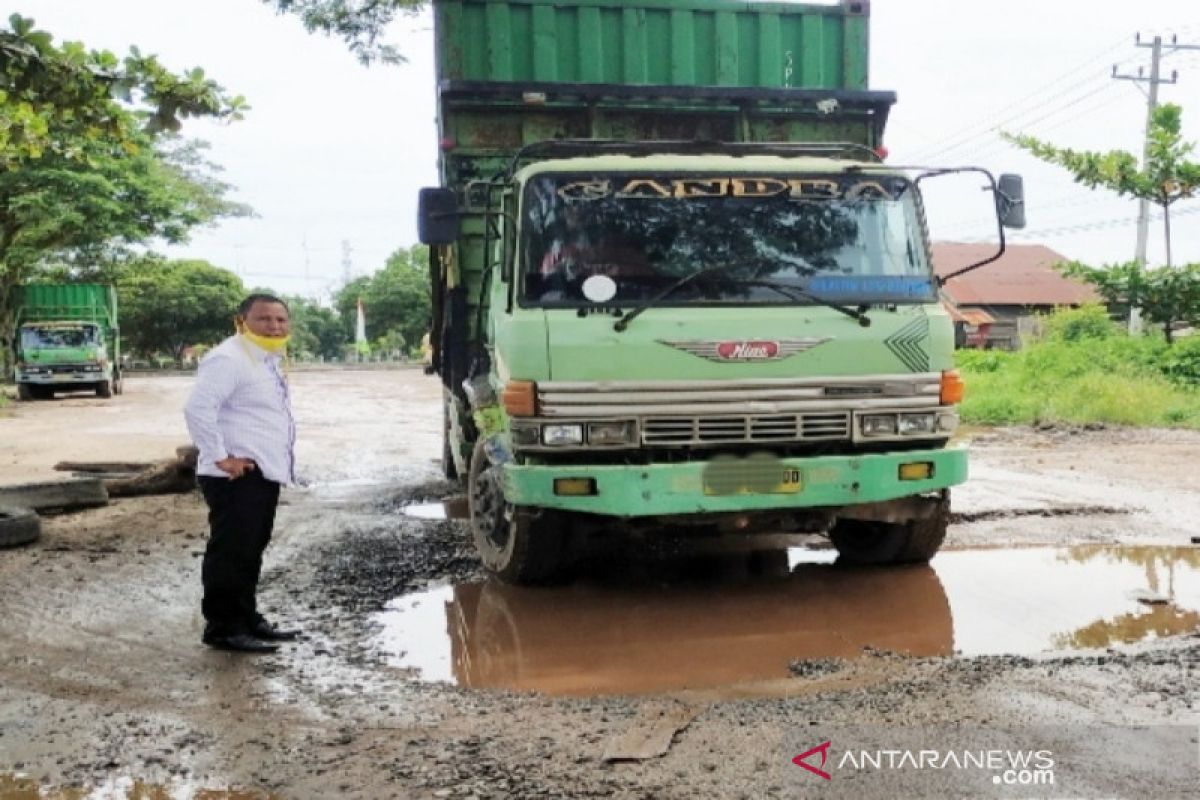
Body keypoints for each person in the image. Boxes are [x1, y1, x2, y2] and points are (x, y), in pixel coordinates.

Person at [184, 293, 299, 653]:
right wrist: (220, 457)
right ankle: (223, 628)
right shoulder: (228, 358)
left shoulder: (264, 359)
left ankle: (247, 619)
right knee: (231, 552)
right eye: (265, 319)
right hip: (235, 476)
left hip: (260, 471)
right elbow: (197, 409)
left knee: (251, 550)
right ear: (242, 321)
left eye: (281, 320)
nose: (274, 326)